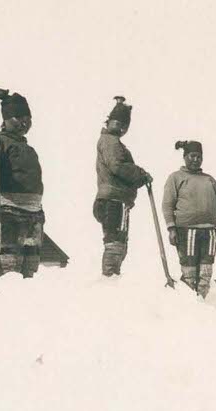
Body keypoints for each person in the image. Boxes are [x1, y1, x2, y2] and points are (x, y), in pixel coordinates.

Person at [162, 140, 216, 297]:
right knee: (190, 273)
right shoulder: (176, 178)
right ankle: (188, 307)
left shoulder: (209, 180)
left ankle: (202, 305)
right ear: (185, 157)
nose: (196, 160)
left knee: (205, 274)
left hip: (209, 232)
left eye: (199, 157)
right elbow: (167, 205)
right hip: (187, 232)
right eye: (192, 156)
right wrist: (171, 228)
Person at [0, 90, 44, 278]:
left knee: (31, 258)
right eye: (18, 118)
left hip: (33, 211)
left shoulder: (28, 147)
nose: (24, 123)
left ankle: (28, 288)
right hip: (10, 210)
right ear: (6, 119)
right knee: (10, 258)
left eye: (27, 118)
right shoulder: (1, 143)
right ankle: (9, 291)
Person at [94, 96, 152, 277]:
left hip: (113, 199)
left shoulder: (112, 142)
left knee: (118, 243)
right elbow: (117, 166)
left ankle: (111, 276)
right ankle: (109, 279)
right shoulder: (110, 141)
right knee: (115, 244)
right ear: (109, 121)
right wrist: (140, 174)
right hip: (114, 199)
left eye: (124, 125)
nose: (121, 128)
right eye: (117, 122)